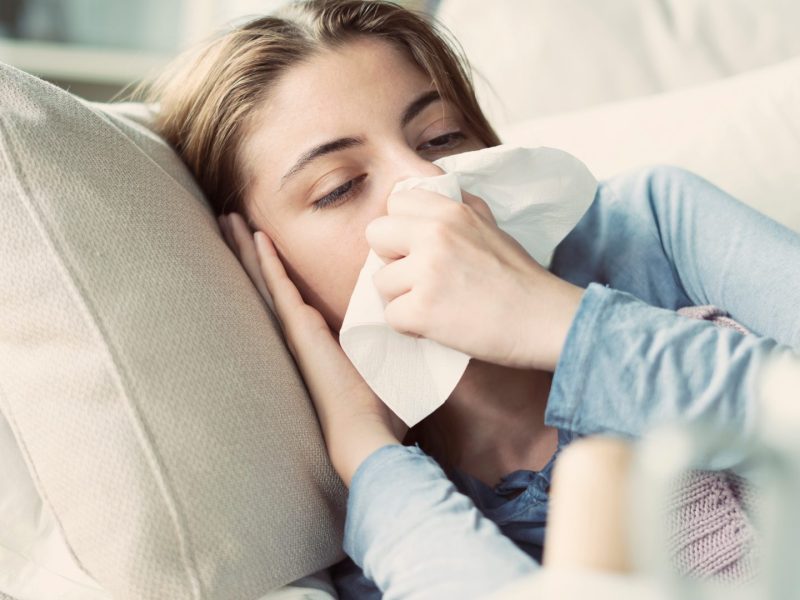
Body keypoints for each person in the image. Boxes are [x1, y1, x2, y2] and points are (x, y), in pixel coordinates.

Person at [138, 0, 800, 597]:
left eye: (442, 138)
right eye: (340, 186)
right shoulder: (384, 526)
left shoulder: (655, 223)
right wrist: (369, 454)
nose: (428, 181)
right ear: (262, 266)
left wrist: (553, 319)